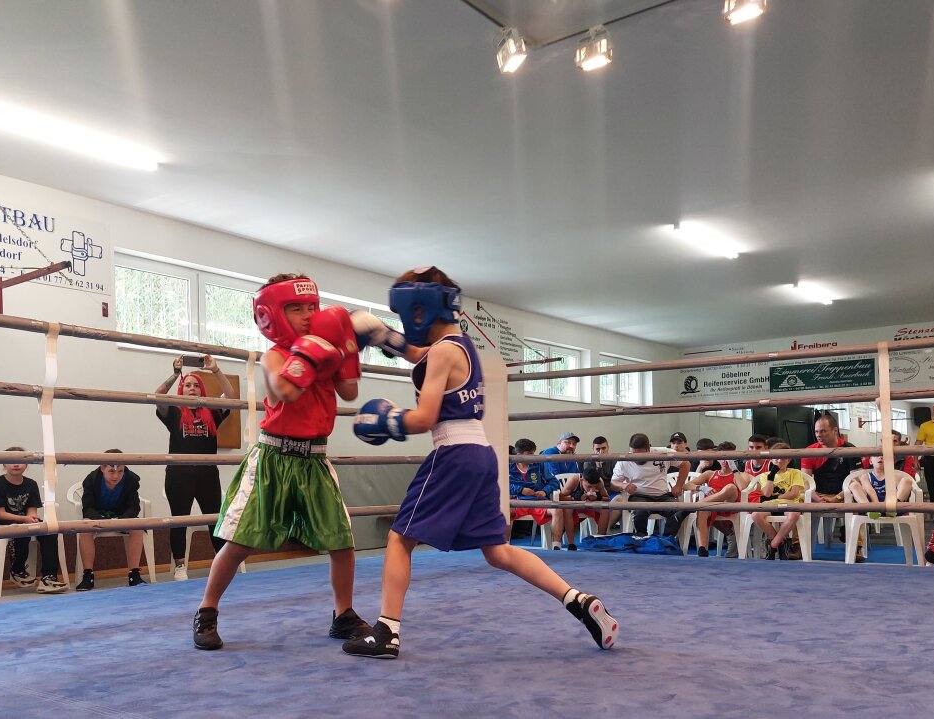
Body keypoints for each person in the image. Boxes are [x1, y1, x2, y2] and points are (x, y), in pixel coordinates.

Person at [343, 266, 617, 659]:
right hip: (481, 455)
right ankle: (577, 599)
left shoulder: (441, 353)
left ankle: (386, 633)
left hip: (452, 453)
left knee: (400, 538)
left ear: (418, 310)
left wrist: (388, 419)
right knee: (498, 551)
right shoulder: (461, 344)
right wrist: (386, 338)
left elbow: (424, 418)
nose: (407, 321)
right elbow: (421, 354)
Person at [193, 273, 400, 650]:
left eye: (311, 307)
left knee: (341, 542)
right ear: (271, 315)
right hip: (274, 457)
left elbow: (349, 390)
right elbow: (284, 390)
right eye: (295, 308)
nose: (307, 315)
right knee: (240, 542)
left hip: (315, 460)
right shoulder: (275, 356)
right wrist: (310, 351)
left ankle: (343, 614)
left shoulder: (330, 348)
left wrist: (349, 350)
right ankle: (207, 610)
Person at [154, 353, 236, 581]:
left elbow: (230, 396)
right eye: (187, 385)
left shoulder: (212, 412)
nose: (192, 388)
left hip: (207, 475)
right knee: (179, 519)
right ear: (182, 390)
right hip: (178, 476)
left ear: (202, 391)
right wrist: (175, 374)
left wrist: (216, 370)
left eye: (196, 386)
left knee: (214, 519)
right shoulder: (174, 413)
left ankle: (222, 560)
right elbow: (157, 396)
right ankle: (180, 566)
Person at [0, 448, 67, 593]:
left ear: (27, 464)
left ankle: (49, 577)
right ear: (4, 464)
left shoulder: (31, 484)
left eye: (20, 461)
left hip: (24, 520)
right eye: (11, 461)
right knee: (23, 529)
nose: (16, 465)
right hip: (4, 523)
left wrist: (32, 519)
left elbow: (32, 510)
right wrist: (25, 519)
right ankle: (17, 570)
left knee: (49, 531)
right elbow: (0, 514)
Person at [74, 449, 148, 591]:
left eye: (120, 471)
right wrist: (101, 521)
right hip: (98, 516)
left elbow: (134, 507)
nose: (116, 476)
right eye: (112, 471)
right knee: (84, 527)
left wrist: (122, 520)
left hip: (122, 516)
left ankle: (134, 574)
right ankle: (88, 575)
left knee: (137, 527)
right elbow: (87, 508)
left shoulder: (131, 480)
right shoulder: (91, 479)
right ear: (103, 468)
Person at [801, 413, 864, 559]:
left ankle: (856, 547)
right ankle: (799, 546)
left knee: (856, 503)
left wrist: (838, 497)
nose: (819, 435)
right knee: (799, 503)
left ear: (835, 431)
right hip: (819, 495)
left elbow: (857, 479)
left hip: (845, 494)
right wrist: (815, 497)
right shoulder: (810, 451)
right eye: (816, 431)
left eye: (823, 431)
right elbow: (805, 481)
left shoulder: (849, 449)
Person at [609, 433, 688, 537]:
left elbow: (685, 464)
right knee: (639, 511)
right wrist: (623, 485)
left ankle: (666, 540)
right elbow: (613, 483)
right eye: (633, 453)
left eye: (640, 455)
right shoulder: (624, 461)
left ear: (648, 449)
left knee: (680, 509)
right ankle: (642, 539)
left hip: (662, 497)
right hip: (639, 497)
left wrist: (679, 485)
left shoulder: (662, 453)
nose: (636, 458)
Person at [684, 441, 744, 557]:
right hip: (711, 507)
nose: (725, 461)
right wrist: (701, 488)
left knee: (730, 487)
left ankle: (698, 505)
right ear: (718, 458)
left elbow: (744, 488)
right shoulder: (710, 474)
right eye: (723, 458)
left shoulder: (738, 475)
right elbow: (686, 485)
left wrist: (734, 468)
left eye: (729, 458)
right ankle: (702, 549)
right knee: (701, 510)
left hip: (729, 504)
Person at [749, 446, 807, 560]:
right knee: (756, 515)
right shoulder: (765, 475)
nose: (779, 461)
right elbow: (767, 494)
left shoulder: (795, 473)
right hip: (771, 504)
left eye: (783, 458)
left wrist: (777, 496)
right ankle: (781, 542)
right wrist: (772, 475)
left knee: (794, 515)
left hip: (789, 503)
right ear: (771, 459)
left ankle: (773, 544)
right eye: (776, 458)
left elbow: (794, 493)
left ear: (788, 460)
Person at [508, 438, 558, 535]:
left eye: (533, 453)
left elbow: (554, 481)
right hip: (517, 501)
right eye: (529, 454)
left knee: (557, 510)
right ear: (519, 455)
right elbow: (500, 485)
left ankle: (556, 545)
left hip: (538, 501)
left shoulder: (539, 465)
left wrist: (544, 491)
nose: (532, 457)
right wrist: (521, 490)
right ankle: (504, 545)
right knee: (504, 510)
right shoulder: (508, 467)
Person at [848, 453, 914, 519]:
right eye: (876, 455)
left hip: (892, 505)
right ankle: (869, 510)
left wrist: (887, 507)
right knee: (854, 485)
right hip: (871, 505)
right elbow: (870, 490)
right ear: (871, 461)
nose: (880, 457)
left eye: (884, 456)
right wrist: (877, 507)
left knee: (906, 481)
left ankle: (891, 509)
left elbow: (891, 491)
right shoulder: (865, 476)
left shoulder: (894, 475)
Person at [556, 467, 613, 545]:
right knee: (567, 509)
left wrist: (598, 497)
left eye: (595, 487)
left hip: (590, 505)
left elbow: (607, 499)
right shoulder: (574, 479)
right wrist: (575, 498)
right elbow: (560, 497)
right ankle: (571, 543)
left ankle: (600, 539)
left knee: (605, 509)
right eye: (589, 487)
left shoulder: (600, 482)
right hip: (575, 505)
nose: (592, 490)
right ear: (582, 480)